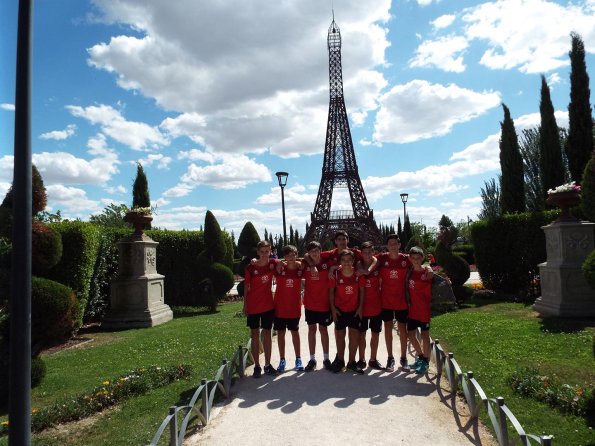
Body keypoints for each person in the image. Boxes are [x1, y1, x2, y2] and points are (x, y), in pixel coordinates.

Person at [376, 234, 411, 371]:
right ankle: (390, 358)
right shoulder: (382, 258)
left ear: (399, 245)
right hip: (386, 300)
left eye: (395, 243)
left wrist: (430, 269)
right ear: (387, 246)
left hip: (401, 300)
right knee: (388, 329)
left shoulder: (405, 259)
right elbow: (364, 258)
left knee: (403, 329)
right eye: (390, 244)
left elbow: (419, 262)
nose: (393, 246)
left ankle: (404, 358)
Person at [244, 240, 279, 378]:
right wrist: (245, 305)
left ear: (271, 251)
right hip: (253, 306)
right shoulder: (250, 267)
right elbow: (246, 287)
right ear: (258, 252)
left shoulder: (272, 263)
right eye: (262, 251)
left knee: (267, 335)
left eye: (267, 251)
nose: (265, 254)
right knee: (254, 335)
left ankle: (267, 364)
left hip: (267, 305)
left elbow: (288, 262)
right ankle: (257, 366)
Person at [328, 249, 364, 374]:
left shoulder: (358, 274)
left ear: (353, 261)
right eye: (344, 260)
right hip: (340, 310)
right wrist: (333, 309)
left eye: (349, 260)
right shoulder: (336, 274)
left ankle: (351, 362)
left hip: (354, 310)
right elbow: (331, 292)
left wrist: (360, 308)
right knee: (340, 337)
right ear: (340, 261)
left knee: (354, 336)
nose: (347, 262)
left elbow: (362, 292)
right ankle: (341, 361)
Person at [302, 241, 333, 371]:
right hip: (310, 303)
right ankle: (312, 359)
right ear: (308, 253)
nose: (314, 253)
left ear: (321, 250)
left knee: (323, 330)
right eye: (311, 251)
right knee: (312, 330)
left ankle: (326, 358)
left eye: (316, 250)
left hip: (324, 303)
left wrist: (332, 269)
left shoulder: (328, 263)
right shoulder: (305, 264)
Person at [273, 245, 304, 372]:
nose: (291, 257)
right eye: (288, 255)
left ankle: (298, 358)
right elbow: (269, 261)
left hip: (294, 307)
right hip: (280, 307)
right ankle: (282, 360)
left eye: (293, 254)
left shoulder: (300, 268)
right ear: (284, 257)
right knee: (281, 334)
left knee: (295, 333)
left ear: (296, 255)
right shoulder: (280, 268)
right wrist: (278, 261)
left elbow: (311, 260)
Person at [404, 246, 433, 374]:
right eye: (413, 258)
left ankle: (426, 362)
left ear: (422, 258)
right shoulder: (409, 272)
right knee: (410, 334)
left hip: (424, 309)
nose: (415, 260)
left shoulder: (428, 273)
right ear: (410, 258)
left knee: (425, 335)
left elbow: (441, 282)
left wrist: (429, 267)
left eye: (418, 258)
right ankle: (420, 357)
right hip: (412, 309)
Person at [357, 241, 383, 370]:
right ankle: (361, 359)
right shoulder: (357, 264)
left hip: (376, 306)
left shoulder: (377, 263)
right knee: (361, 334)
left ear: (373, 252)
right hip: (362, 306)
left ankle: (373, 359)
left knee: (375, 334)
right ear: (361, 253)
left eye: (370, 252)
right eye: (365, 252)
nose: (367, 255)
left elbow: (371, 268)